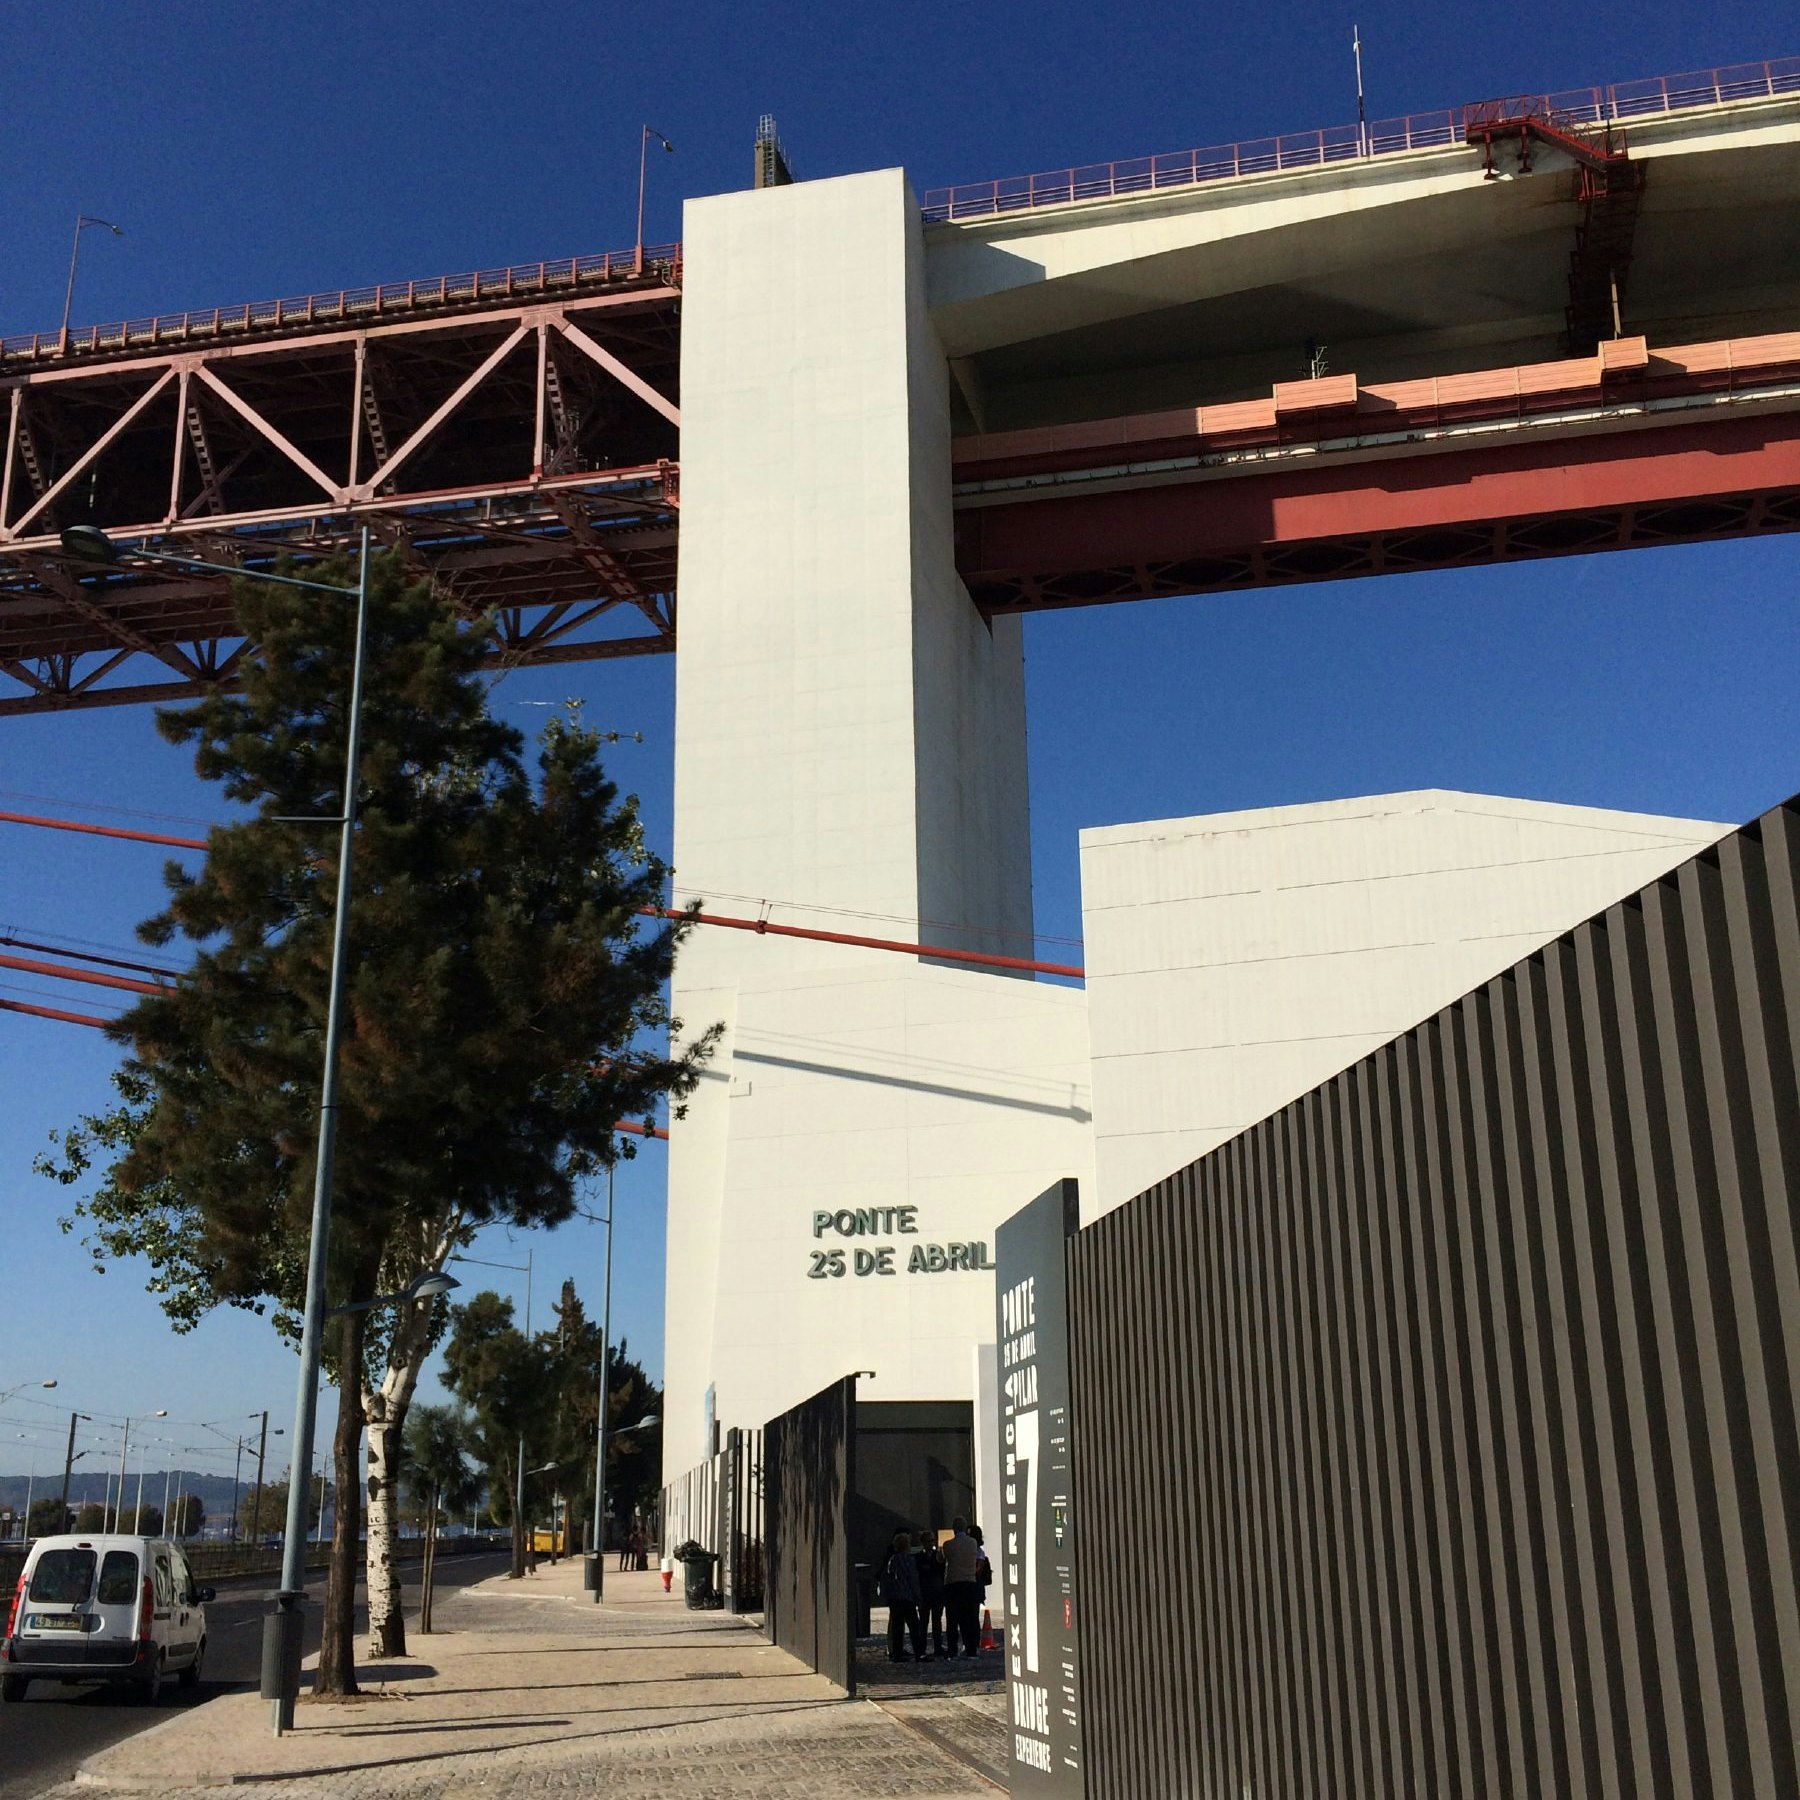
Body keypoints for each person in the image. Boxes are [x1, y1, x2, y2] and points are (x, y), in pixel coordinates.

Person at [882, 1529, 925, 1662]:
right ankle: (919, 1652)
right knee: (914, 1626)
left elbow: (887, 1578)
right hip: (906, 1597)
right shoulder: (908, 1560)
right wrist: (918, 1597)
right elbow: (913, 1580)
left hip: (895, 1598)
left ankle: (897, 1654)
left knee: (897, 1627)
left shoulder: (892, 1560)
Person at [942, 1516, 982, 1657]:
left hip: (953, 1584)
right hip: (969, 1582)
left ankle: (952, 1649)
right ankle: (971, 1648)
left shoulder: (948, 1545)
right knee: (969, 1618)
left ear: (953, 1529)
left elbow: (943, 1559)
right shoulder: (972, 1543)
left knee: (952, 1619)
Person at [917, 1529, 948, 1661]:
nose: (931, 1543)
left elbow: (942, 1571)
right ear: (923, 1542)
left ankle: (938, 1647)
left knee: (937, 1622)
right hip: (924, 1593)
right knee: (923, 1623)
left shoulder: (938, 1556)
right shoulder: (918, 1557)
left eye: (932, 1540)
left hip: (937, 1592)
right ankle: (921, 1648)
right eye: (928, 1541)